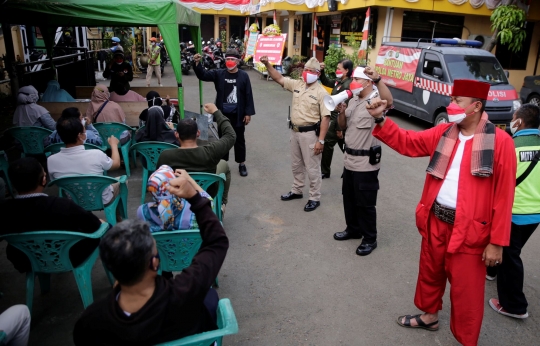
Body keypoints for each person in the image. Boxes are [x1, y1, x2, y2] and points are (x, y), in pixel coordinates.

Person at [367, 79, 516, 346]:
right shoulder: (445, 132)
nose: (451, 105)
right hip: (436, 219)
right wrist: (380, 120)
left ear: (476, 106)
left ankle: (466, 340)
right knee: (430, 273)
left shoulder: (501, 143)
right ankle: (429, 316)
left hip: (472, 231)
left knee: (466, 292)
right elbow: (409, 142)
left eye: (458, 100)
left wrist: (496, 242)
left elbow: (505, 197)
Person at [73, 172, 229, 345]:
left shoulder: (91, 322)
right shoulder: (186, 292)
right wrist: (194, 197)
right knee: (210, 296)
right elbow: (216, 242)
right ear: (154, 263)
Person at [0, 157, 103, 273]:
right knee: (103, 227)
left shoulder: (4, 210)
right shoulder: (62, 205)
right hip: (70, 257)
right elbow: (94, 226)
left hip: (27, 261)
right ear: (43, 180)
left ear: (13, 184)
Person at [486, 103, 540, 319]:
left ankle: (514, 305)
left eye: (514, 117)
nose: (511, 121)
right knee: (510, 250)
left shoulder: (511, 145)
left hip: (513, 212)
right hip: (535, 213)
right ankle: (491, 271)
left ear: (519, 121)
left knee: (510, 256)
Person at [333, 66, 393, 256]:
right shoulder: (353, 100)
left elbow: (389, 101)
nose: (353, 83)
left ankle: (369, 238)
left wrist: (379, 79)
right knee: (349, 199)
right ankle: (353, 229)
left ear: (368, 82)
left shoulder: (375, 100)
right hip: (349, 159)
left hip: (366, 162)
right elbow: (343, 126)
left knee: (365, 203)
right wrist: (341, 112)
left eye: (357, 80)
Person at [261, 55, 330, 212]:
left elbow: (326, 118)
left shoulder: (321, 92)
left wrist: (321, 141)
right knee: (296, 164)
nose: (307, 72)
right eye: (305, 69)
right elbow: (278, 78)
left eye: (311, 70)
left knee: (312, 167)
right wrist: (267, 64)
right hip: (295, 131)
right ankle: (297, 190)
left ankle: (314, 197)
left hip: (310, 134)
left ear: (318, 74)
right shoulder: (298, 84)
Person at [157, 103, 235, 208]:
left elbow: (159, 180)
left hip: (178, 195)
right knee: (224, 164)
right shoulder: (211, 152)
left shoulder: (165, 156)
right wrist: (216, 112)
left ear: (176, 134)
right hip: (207, 193)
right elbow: (231, 135)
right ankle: (222, 204)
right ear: (198, 133)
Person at [193, 48, 255, 177]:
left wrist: (248, 113)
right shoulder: (219, 74)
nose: (230, 62)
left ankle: (241, 164)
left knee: (239, 139)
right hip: (222, 115)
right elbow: (202, 75)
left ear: (237, 61)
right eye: (227, 59)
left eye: (232, 59)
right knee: (223, 140)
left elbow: (248, 95)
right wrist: (198, 64)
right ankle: (222, 163)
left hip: (238, 114)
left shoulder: (243, 76)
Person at [47, 117, 124, 220]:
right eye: (84, 131)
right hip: (101, 199)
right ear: (80, 136)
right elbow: (116, 164)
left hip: (73, 200)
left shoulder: (51, 160)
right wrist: (114, 145)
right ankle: (118, 219)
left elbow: (56, 182)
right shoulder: (96, 154)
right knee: (122, 180)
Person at [137, 166, 212, 232]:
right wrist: (189, 179)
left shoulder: (142, 212)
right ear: (176, 186)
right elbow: (210, 205)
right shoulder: (193, 213)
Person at [318, 59, 353, 179]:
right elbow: (326, 81)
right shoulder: (339, 81)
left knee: (328, 141)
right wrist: (322, 72)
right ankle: (351, 166)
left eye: (339, 68)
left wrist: (339, 128)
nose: (336, 70)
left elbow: (342, 109)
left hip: (338, 119)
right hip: (333, 117)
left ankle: (325, 171)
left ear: (347, 70)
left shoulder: (348, 85)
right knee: (344, 143)